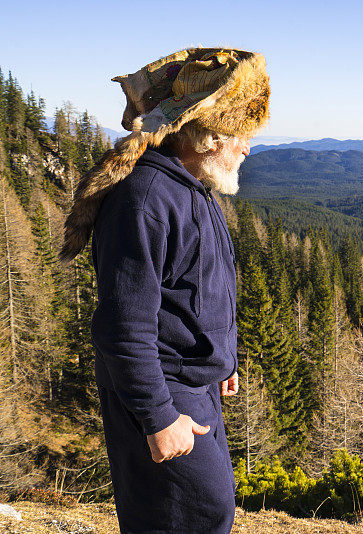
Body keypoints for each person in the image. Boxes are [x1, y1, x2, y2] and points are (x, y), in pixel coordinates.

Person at [58, 47, 270, 533]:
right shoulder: (147, 199)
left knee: (206, 514)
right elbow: (120, 327)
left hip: (193, 385)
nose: (247, 149)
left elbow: (199, 289)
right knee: (188, 518)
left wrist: (222, 357)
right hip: (161, 391)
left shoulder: (193, 189)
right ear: (208, 135)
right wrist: (157, 417)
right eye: (242, 136)